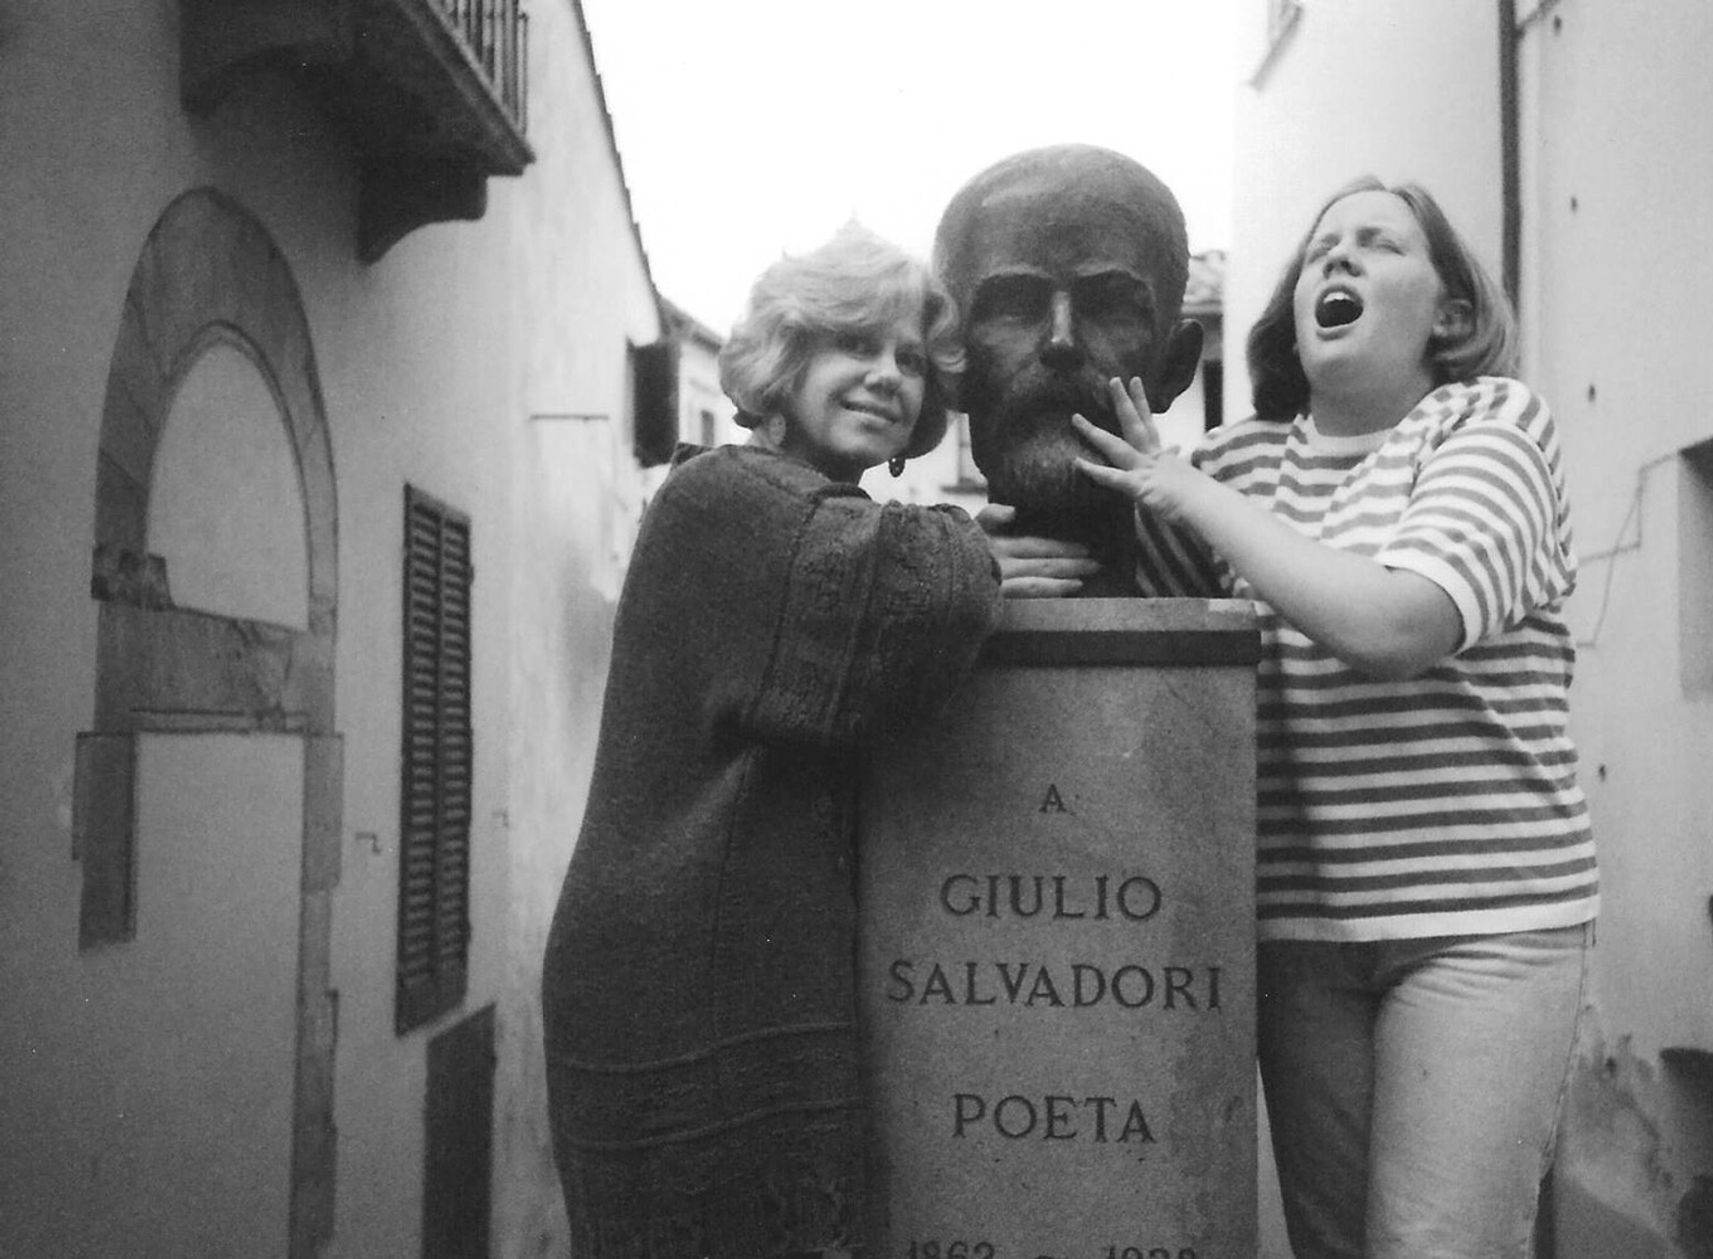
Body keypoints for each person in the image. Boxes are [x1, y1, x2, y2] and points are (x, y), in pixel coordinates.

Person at [1072, 178, 1598, 1258]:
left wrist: (1190, 494)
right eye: (1322, 253)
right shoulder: (1230, 469)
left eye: (1379, 246)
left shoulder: (1488, 424)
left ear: (1448, 314)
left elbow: (1397, 622)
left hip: (1483, 920)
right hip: (1301, 930)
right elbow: (1128, 627)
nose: (1341, 264)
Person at [540, 224, 1003, 1259]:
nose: (889, 376)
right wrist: (992, 553)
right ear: (786, 361)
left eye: (912, 361)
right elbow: (923, 591)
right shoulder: (725, 495)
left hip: (720, 967)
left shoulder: (821, 509)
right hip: (683, 984)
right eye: (856, 344)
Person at [933, 143, 1203, 595]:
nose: (1062, 341)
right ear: (948, 361)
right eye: (1014, 307)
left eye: (1109, 306)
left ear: (1175, 365)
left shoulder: (1255, 587)